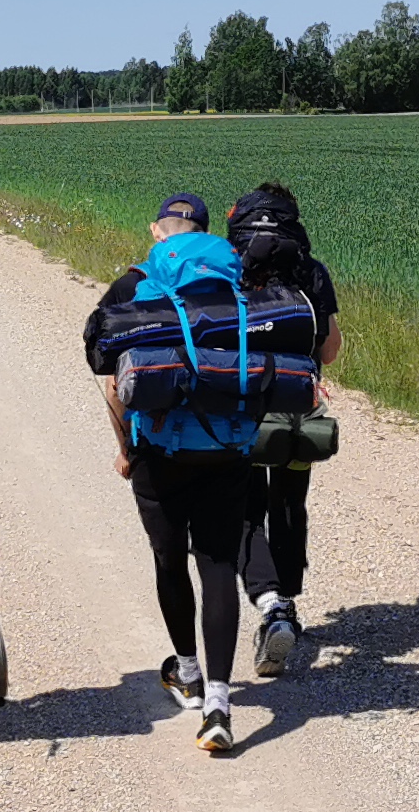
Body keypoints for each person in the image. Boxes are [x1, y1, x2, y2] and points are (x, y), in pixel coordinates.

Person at [83, 192, 314, 755]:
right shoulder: (240, 295)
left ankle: (186, 672)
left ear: (157, 234)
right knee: (217, 568)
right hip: (229, 452)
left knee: (169, 561)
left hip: (159, 454)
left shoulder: (138, 288)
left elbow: (113, 381)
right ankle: (218, 704)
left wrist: (126, 447)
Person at [226, 182, 341, 677]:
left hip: (241, 413)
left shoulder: (228, 266)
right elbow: (329, 347)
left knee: (245, 513)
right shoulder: (310, 270)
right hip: (299, 411)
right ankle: (288, 602)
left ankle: (271, 604)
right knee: (290, 504)